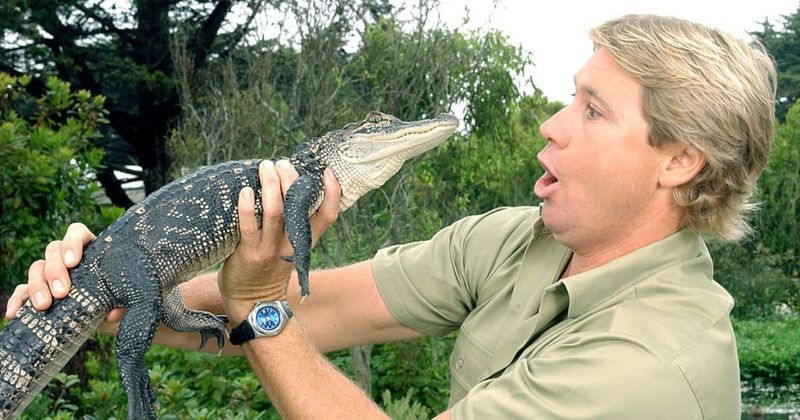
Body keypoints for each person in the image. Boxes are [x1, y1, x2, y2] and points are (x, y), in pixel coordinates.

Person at [7, 14, 776, 419]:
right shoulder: (521, 240)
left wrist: (256, 309)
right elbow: (324, 305)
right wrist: (94, 298)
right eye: (570, 94)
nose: (550, 122)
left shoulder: (650, 366)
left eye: (593, 109)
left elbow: (269, 314)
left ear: (680, 161)